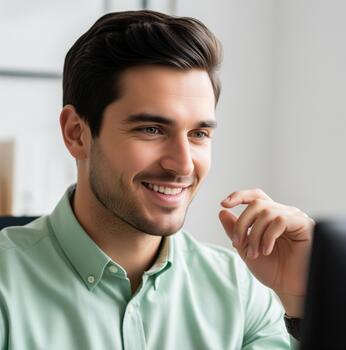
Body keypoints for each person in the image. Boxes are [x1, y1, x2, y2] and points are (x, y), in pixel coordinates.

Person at [0, 10, 314, 349]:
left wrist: (303, 299)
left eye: (198, 133)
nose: (182, 165)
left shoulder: (239, 289)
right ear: (77, 133)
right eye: (151, 129)